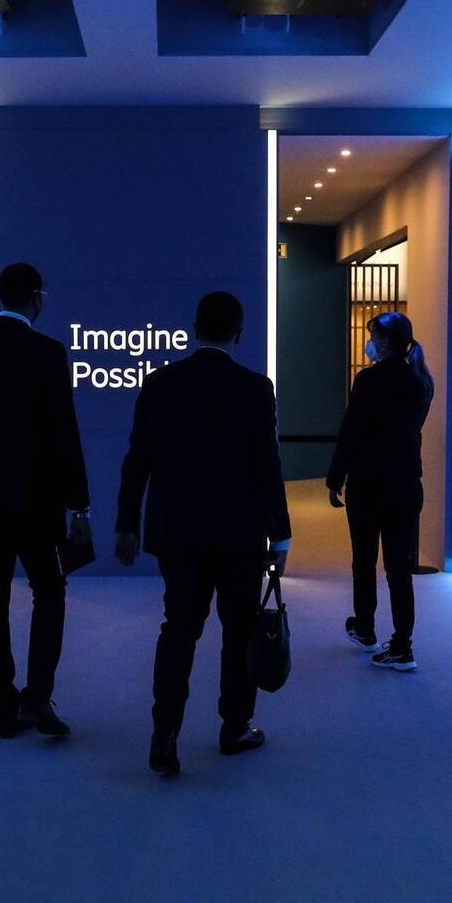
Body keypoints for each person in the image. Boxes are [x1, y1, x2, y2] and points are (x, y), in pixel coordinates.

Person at [115, 292, 291, 776]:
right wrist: (280, 535)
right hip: (239, 533)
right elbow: (267, 466)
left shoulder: (160, 383)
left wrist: (127, 522)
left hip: (178, 531)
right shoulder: (255, 388)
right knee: (238, 632)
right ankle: (235, 728)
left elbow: (137, 460)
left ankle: (165, 733)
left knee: (178, 629)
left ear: (194, 328)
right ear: (240, 333)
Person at [0, 262, 91, 739]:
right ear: (37, 298)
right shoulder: (47, 352)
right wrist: (80, 502)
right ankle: (38, 696)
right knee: (49, 592)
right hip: (36, 501)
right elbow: (63, 430)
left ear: (0, 295)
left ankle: (4, 706)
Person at [327, 311, 434, 673]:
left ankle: (365, 629)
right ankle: (402, 646)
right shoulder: (421, 381)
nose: (370, 342)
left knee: (364, 560)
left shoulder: (368, 380)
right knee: (398, 569)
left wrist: (335, 477)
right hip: (406, 484)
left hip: (368, 483)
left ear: (385, 342)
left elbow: (352, 431)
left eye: (373, 336)